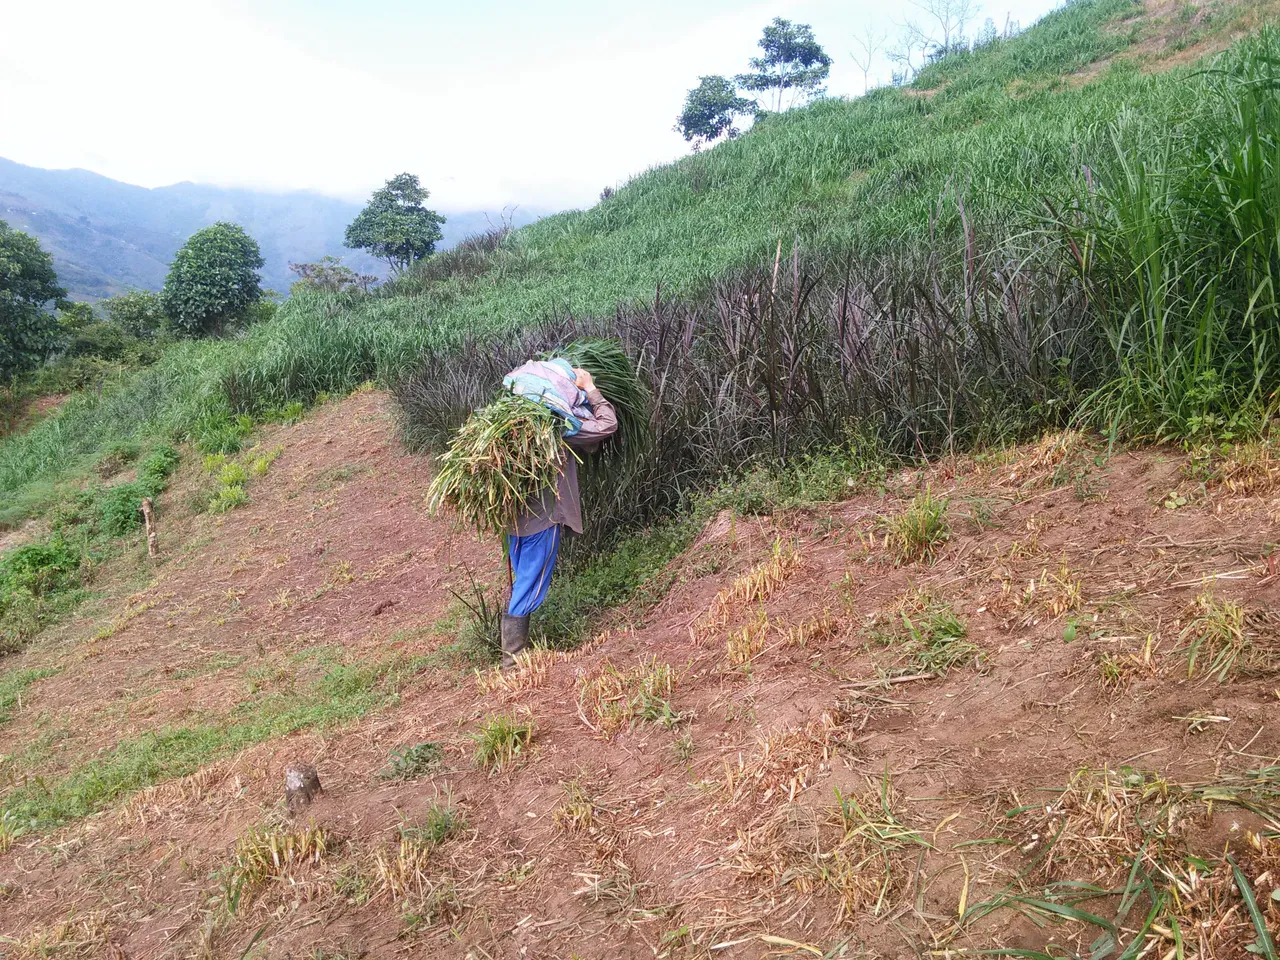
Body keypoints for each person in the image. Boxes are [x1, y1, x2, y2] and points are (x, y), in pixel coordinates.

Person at [501, 367, 617, 668]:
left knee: (521, 580)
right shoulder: (559, 424)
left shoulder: (515, 421)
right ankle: (512, 661)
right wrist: (590, 388)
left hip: (514, 521)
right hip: (543, 519)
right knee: (529, 584)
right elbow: (607, 425)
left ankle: (512, 653)